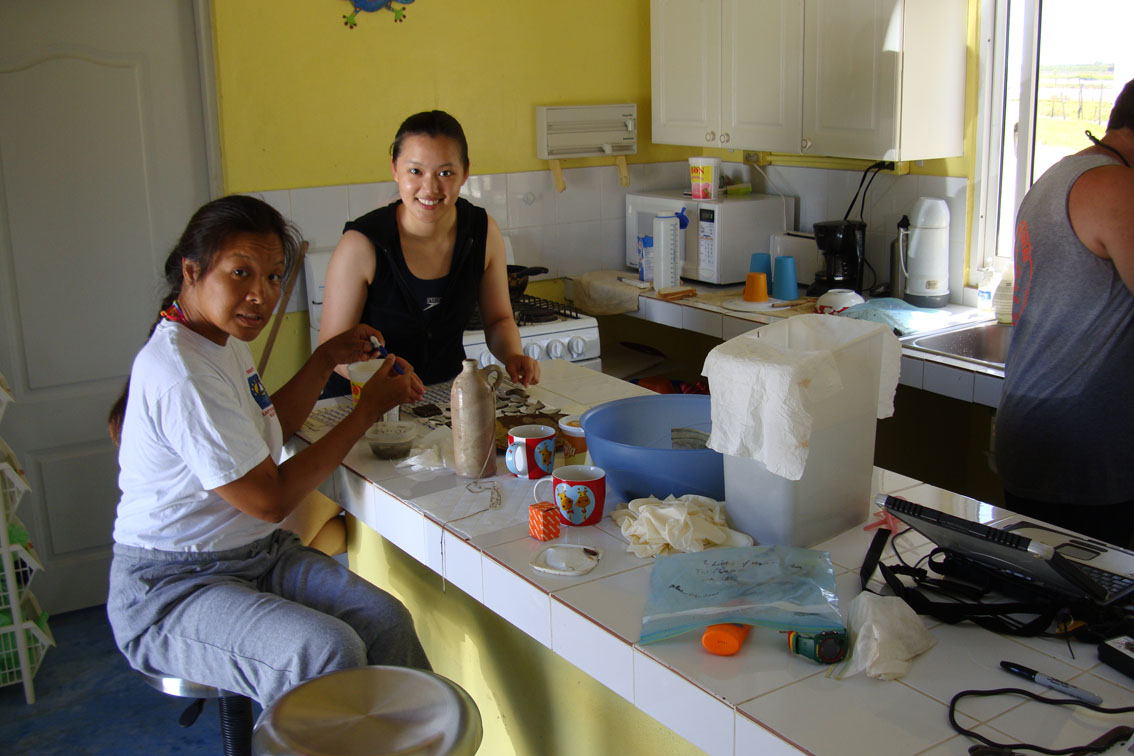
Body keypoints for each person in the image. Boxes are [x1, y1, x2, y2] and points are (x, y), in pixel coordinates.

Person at [106, 195, 431, 708]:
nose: (261, 295)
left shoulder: (222, 339)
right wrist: (367, 410)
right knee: (328, 650)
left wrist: (326, 358)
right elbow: (269, 499)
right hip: (170, 589)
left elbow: (267, 429)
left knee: (385, 621)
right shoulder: (180, 371)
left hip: (256, 556)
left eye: (275, 277)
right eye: (241, 273)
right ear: (192, 271)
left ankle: (411, 740)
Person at [994, 78, 1134, 547]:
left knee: (1046, 604)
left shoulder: (1061, 173)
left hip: (1036, 431)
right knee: (1096, 611)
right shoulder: (1116, 186)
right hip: (1084, 451)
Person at [319, 109, 540, 392]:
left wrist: (512, 355)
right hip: (362, 402)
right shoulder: (361, 244)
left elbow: (498, 320)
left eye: (445, 173)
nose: (430, 187)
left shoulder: (482, 233)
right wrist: (386, 380)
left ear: (466, 172)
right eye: (416, 171)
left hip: (444, 397)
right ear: (394, 169)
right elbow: (330, 352)